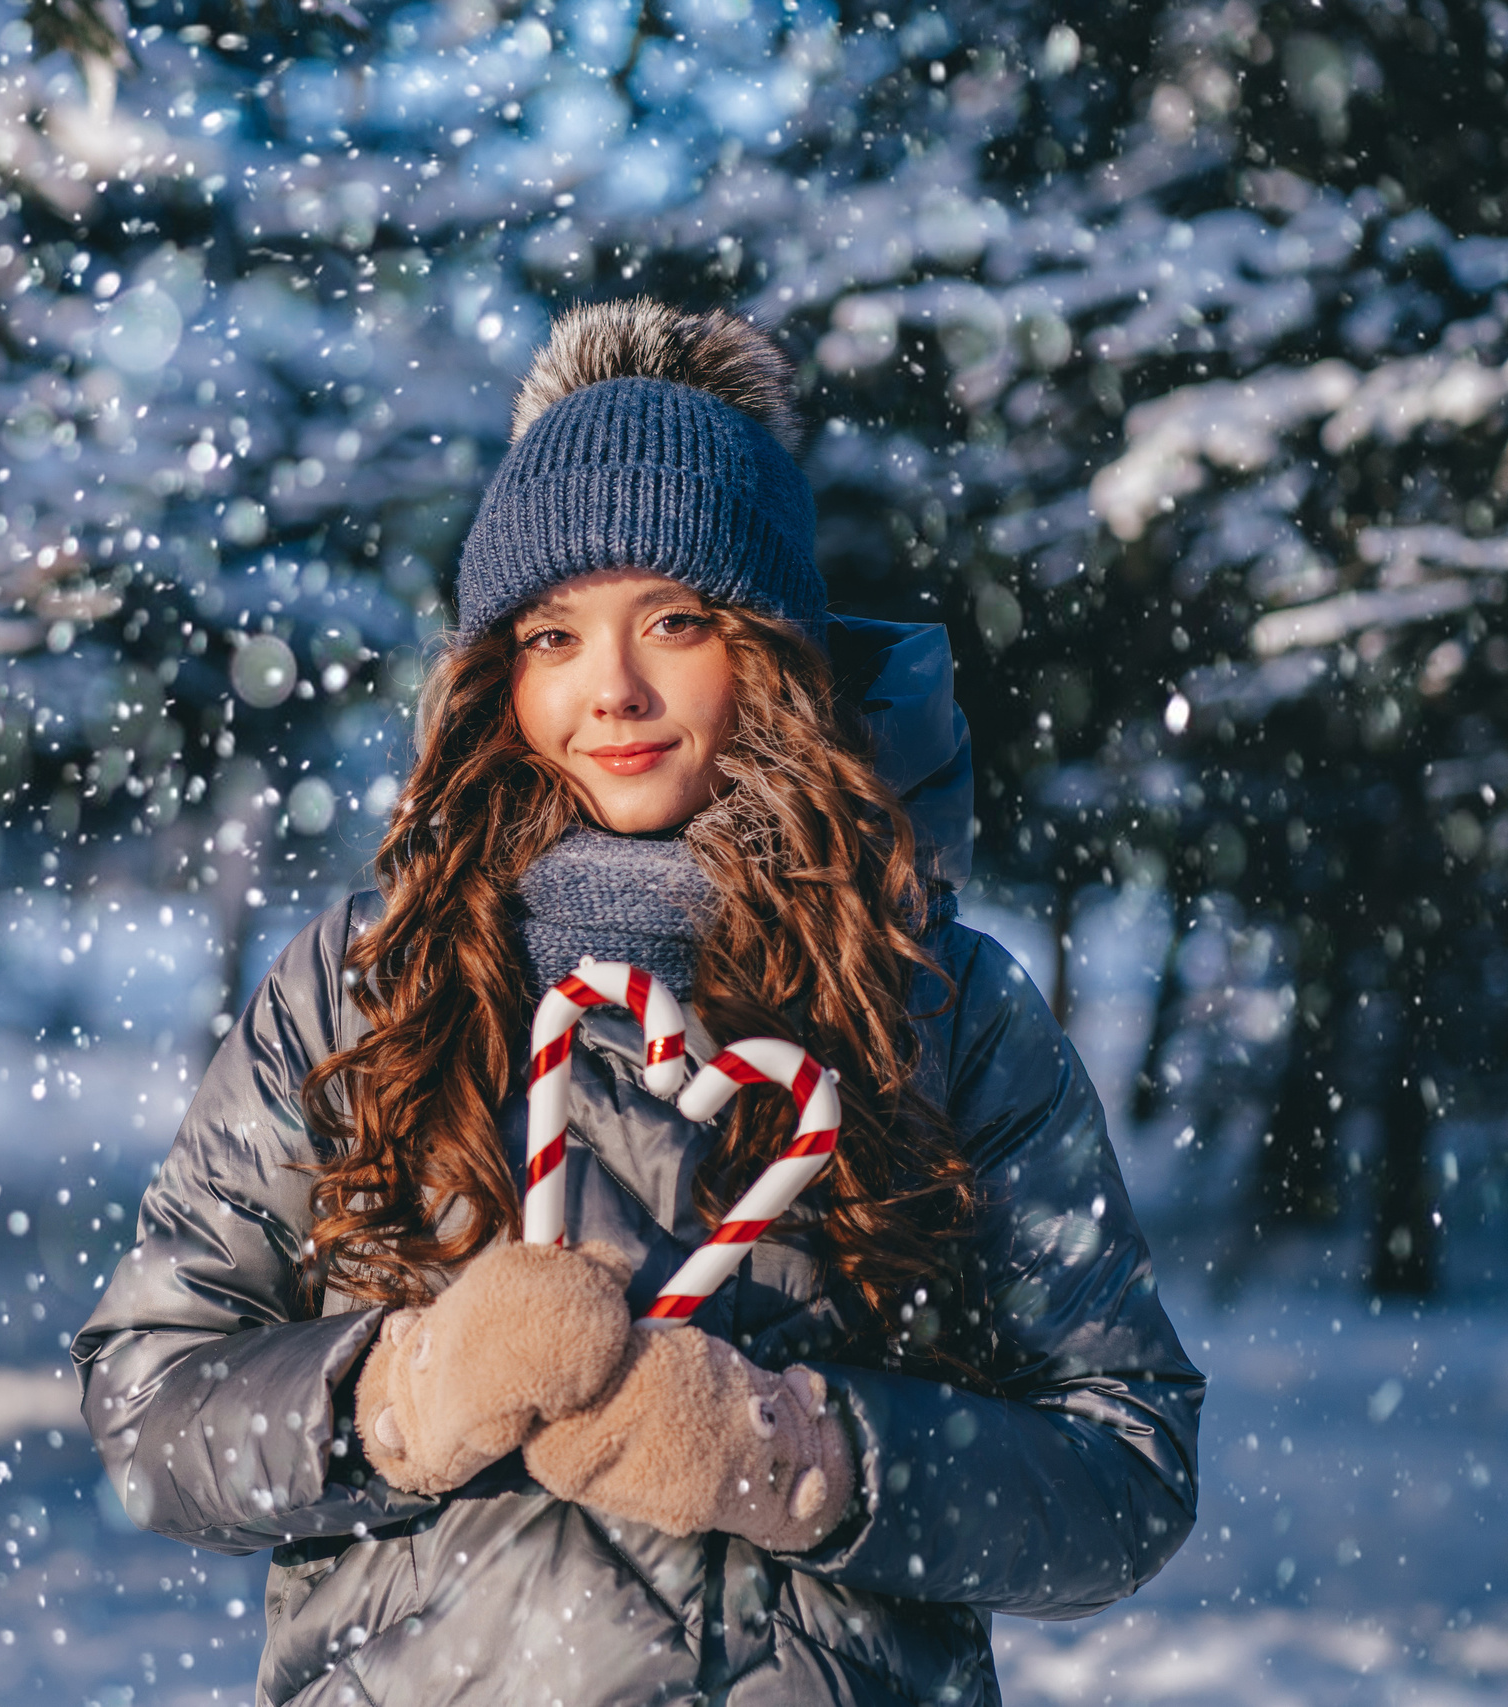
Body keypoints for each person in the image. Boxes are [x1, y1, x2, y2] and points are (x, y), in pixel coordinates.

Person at [72, 300, 1203, 1706]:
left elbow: (1126, 1468)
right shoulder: (368, 989)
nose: (609, 690)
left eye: (675, 620)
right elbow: (147, 1403)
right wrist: (400, 1398)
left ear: (772, 645)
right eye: (552, 635)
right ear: (499, 669)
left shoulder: (938, 1005)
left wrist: (800, 1451)